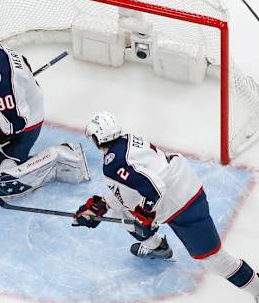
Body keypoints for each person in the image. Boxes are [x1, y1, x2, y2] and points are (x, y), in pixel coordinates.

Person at [72, 111, 259, 302]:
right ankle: (157, 247)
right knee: (124, 213)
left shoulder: (113, 163)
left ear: (97, 138)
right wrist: (101, 205)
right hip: (180, 185)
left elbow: (154, 189)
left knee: (214, 260)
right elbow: (132, 186)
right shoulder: (127, 140)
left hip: (183, 204)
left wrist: (144, 214)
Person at [0, 30, 90, 201]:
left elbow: (15, 123)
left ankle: (59, 158)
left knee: (2, 165)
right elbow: (24, 62)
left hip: (24, 125)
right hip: (0, 112)